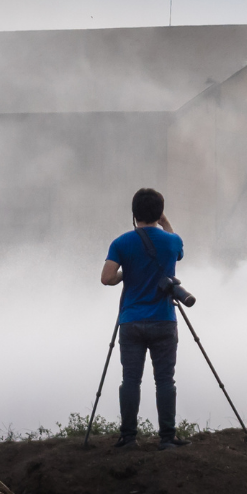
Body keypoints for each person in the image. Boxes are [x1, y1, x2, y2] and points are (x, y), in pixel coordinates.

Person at [100, 187, 184, 448]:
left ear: (134, 214)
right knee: (165, 381)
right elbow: (177, 248)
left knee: (130, 381)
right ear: (159, 213)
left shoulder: (121, 243)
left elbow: (107, 278)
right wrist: (164, 221)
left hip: (131, 321)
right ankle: (167, 438)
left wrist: (125, 274)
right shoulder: (172, 242)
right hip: (163, 319)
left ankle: (128, 437)